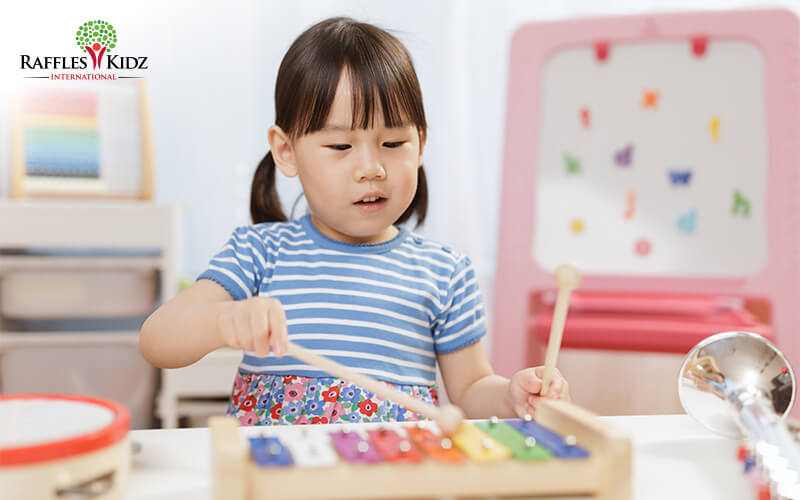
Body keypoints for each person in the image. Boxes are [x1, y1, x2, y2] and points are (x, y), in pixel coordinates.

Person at [139, 16, 569, 426]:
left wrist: (513, 394)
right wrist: (222, 322)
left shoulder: (445, 273)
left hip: (393, 475)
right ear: (286, 151)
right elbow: (157, 341)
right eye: (341, 145)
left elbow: (471, 388)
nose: (370, 167)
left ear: (420, 144)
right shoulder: (258, 253)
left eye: (393, 142)